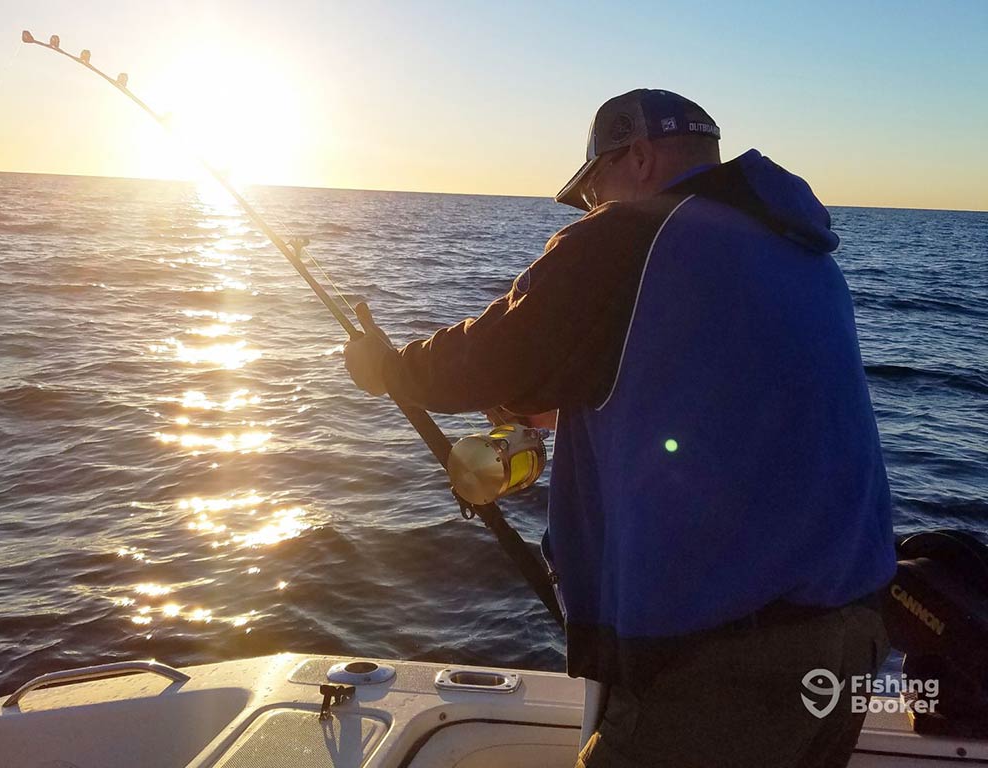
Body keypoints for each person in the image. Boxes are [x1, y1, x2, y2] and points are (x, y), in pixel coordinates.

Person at [344, 88, 897, 767]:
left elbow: (488, 358)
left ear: (637, 157)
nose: (591, 208)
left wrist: (389, 368)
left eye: (592, 189)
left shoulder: (635, 233)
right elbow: (707, 387)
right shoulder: (798, 248)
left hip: (729, 660)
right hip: (854, 633)